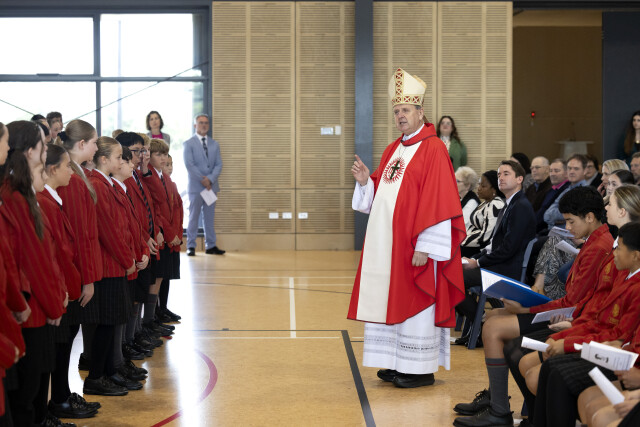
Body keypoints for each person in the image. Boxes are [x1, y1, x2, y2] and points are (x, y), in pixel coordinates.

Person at [453, 185, 612, 427]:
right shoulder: (594, 241)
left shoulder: (598, 247)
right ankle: (497, 399)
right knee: (494, 316)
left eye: (571, 221)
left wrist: (525, 308)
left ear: (590, 217)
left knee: (495, 328)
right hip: (567, 311)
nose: (568, 227)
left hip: (569, 317)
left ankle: (500, 409)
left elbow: (573, 303)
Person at [348, 68, 465, 389]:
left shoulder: (433, 148)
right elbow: (382, 196)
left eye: (406, 110)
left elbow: (439, 200)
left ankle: (418, 368)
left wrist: (426, 246)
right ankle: (395, 361)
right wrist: (365, 183)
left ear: (420, 112)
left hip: (415, 246)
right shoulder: (393, 149)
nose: (400, 115)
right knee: (390, 298)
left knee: (416, 299)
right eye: (396, 111)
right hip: (388, 246)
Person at [1, 121, 66, 427]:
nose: (46, 150)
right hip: (29, 308)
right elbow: (31, 260)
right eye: (42, 145)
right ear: (29, 151)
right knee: (27, 396)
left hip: (33, 305)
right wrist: (53, 305)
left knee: (33, 390)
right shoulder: (16, 196)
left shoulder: (21, 193)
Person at [455, 160, 536, 346]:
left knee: (453, 279)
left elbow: (508, 249)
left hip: (507, 269)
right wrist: (473, 258)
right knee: (452, 274)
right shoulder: (510, 203)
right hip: (498, 264)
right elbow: (493, 246)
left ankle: (482, 323)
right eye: (499, 174)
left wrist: (478, 263)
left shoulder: (520, 206)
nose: (501, 178)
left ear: (520, 179)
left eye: (506, 174)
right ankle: (480, 323)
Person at [84, 137, 136, 397]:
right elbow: (109, 231)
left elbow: (122, 225)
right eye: (117, 157)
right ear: (104, 159)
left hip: (115, 264)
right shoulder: (98, 185)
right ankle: (96, 377)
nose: (121, 161)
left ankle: (107, 372)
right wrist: (127, 260)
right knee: (106, 323)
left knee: (112, 321)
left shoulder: (107, 184)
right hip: (108, 265)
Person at [183, 114, 224, 256]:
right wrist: (203, 180)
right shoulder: (188, 144)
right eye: (201, 123)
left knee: (209, 218)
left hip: (211, 187)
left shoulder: (215, 144)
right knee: (193, 217)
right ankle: (191, 246)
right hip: (196, 187)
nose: (204, 125)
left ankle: (211, 246)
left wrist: (210, 179)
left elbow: (219, 164)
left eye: (206, 123)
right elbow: (189, 165)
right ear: (195, 125)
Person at [460, 170, 505, 258]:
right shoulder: (486, 202)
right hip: (469, 246)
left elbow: (487, 237)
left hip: (479, 251)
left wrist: (463, 241)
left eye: (483, 186)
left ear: (494, 189)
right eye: (479, 184)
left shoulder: (495, 205)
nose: (479, 188)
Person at [543, 154, 587, 229]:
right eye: (569, 168)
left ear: (585, 171)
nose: (571, 171)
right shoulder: (567, 190)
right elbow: (546, 215)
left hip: (571, 234)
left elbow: (575, 216)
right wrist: (563, 218)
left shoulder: (586, 192)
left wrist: (555, 219)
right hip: (557, 232)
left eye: (576, 169)